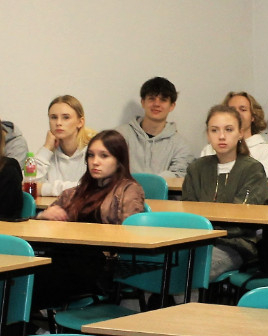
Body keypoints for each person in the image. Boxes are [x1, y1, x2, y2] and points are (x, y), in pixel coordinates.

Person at [35, 130, 148, 307]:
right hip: (68, 259)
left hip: (103, 265)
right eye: (91, 155)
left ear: (119, 160)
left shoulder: (129, 189)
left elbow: (129, 235)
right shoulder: (77, 191)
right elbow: (40, 229)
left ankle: (23, 316)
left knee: (41, 277)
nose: (95, 161)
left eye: (104, 156)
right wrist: (42, 216)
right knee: (30, 270)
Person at [183, 104, 268, 279]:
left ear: (240, 133)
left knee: (191, 270)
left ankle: (189, 298)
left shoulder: (252, 169)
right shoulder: (196, 168)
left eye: (229, 130)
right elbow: (189, 211)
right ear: (208, 134)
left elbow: (243, 219)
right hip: (197, 240)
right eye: (214, 130)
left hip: (236, 244)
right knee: (168, 263)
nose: (221, 136)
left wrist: (210, 230)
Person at [123, 76, 193, 179]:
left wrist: (153, 183)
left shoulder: (181, 146)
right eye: (151, 98)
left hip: (163, 191)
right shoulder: (121, 135)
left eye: (163, 100)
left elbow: (179, 175)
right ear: (143, 102)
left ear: (172, 106)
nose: (156, 104)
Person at [198, 91, 268, 179]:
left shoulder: (265, 150)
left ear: (253, 116)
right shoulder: (209, 149)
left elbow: (261, 183)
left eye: (243, 109)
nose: (237, 113)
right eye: (232, 110)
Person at [35, 95, 92, 197]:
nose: (58, 123)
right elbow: (28, 185)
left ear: (80, 122)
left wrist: (44, 189)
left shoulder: (93, 151)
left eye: (66, 117)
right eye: (53, 117)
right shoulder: (49, 153)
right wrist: (46, 148)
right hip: (50, 207)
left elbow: (90, 187)